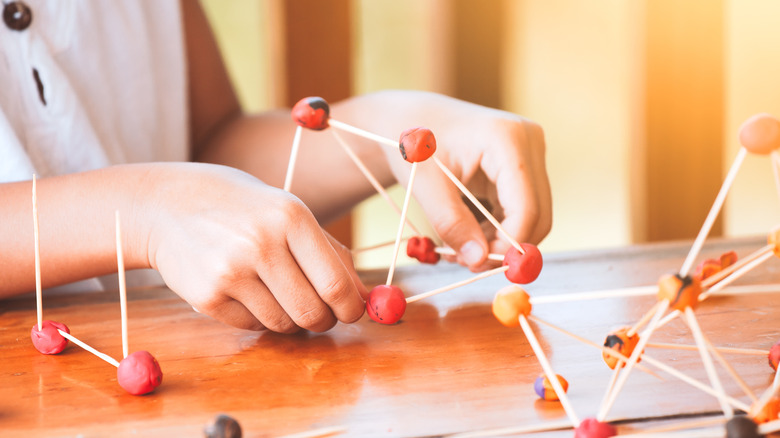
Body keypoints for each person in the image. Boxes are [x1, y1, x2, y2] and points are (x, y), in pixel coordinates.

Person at [0, 1, 551, 334]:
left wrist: (387, 127)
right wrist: (145, 208)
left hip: (184, 363)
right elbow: (171, 197)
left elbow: (208, 153)